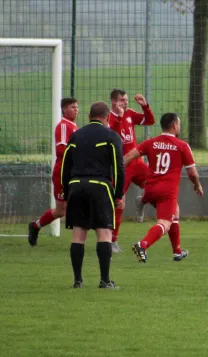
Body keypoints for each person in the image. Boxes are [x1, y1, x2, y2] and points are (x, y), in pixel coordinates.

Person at [61, 101, 125, 288]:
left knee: (79, 233)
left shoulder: (75, 136)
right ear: (107, 118)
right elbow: (118, 166)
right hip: (100, 186)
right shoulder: (111, 136)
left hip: (76, 186)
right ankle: (105, 280)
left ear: (89, 117)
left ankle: (77, 280)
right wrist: (118, 194)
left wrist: (66, 191)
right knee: (104, 232)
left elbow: (66, 165)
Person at [127, 113, 203, 263]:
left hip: (150, 188)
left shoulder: (151, 142)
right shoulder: (182, 146)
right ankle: (142, 245)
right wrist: (197, 185)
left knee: (175, 211)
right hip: (167, 192)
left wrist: (116, 167)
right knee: (165, 223)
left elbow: (130, 155)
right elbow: (192, 173)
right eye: (179, 124)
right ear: (174, 125)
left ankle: (177, 251)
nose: (179, 127)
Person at [108, 88, 155, 253]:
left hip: (137, 162)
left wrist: (145, 106)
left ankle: (141, 201)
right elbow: (110, 134)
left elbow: (150, 121)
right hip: (121, 166)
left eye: (126, 100)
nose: (125, 103)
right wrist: (120, 116)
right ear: (114, 102)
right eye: (122, 100)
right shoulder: (109, 117)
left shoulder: (130, 114)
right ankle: (112, 241)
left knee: (156, 186)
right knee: (119, 204)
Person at [28, 98, 79, 246]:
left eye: (77, 107)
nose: (76, 109)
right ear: (64, 109)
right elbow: (61, 150)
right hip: (63, 173)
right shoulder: (63, 126)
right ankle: (35, 226)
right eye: (72, 107)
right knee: (61, 210)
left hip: (73, 172)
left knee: (75, 205)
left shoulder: (74, 126)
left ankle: (80, 239)